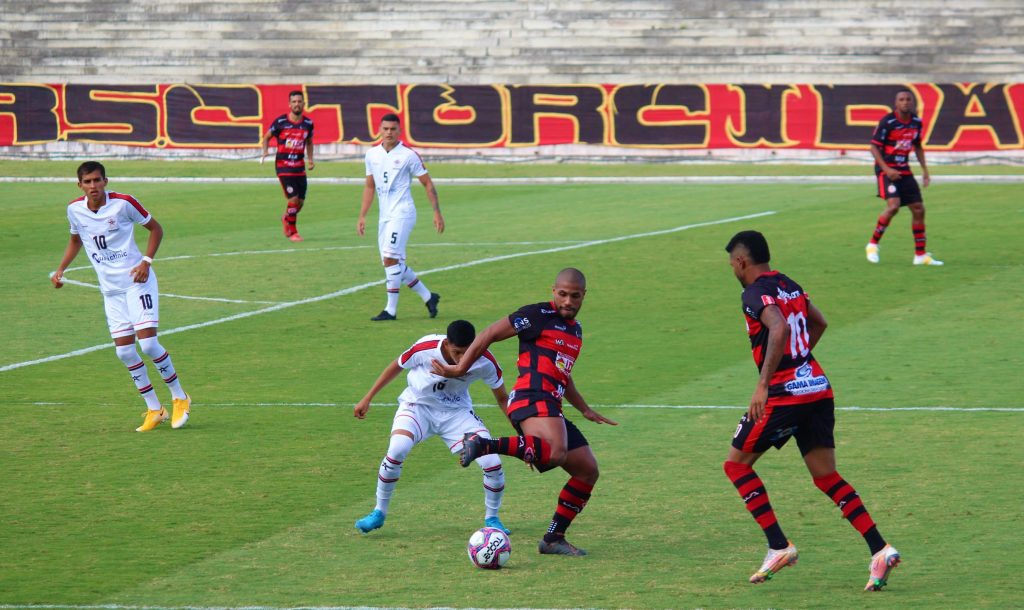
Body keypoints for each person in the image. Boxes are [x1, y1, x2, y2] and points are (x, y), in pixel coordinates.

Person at [722, 230, 900, 591]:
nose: (732, 270)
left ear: (741, 261)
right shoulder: (789, 284)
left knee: (736, 464)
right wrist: (800, 360)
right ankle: (879, 550)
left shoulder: (753, 293)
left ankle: (778, 546)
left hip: (786, 394)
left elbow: (779, 326)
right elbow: (819, 321)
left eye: (731, 264)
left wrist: (765, 383)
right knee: (825, 475)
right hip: (817, 387)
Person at [432, 268, 618, 557]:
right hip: (532, 397)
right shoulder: (536, 315)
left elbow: (563, 375)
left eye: (575, 296)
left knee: (587, 470)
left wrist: (584, 409)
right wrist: (460, 368)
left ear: (584, 296)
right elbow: (489, 334)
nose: (568, 301)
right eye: (563, 294)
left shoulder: (575, 330)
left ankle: (553, 539)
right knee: (555, 452)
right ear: (553, 291)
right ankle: (483, 444)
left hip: (549, 405)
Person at [51, 161, 192, 432]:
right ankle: (154, 408)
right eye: (88, 182)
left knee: (149, 345)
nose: (93, 186)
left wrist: (146, 262)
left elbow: (156, 228)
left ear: (105, 181)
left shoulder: (124, 203)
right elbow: (75, 240)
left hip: (137, 283)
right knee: (124, 351)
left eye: (97, 180)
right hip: (111, 291)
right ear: (79, 185)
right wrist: (61, 270)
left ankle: (180, 396)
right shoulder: (74, 210)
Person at [353, 319, 510, 535]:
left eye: (468, 352)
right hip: (417, 406)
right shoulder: (425, 347)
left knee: (492, 462)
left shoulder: (484, 360)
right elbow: (397, 365)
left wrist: (525, 437)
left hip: (456, 414)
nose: (463, 359)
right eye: (457, 352)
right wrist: (367, 397)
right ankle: (379, 512)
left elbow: (503, 399)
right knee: (397, 448)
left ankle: (492, 518)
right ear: (446, 344)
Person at [357, 113, 443, 321]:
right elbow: (370, 185)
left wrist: (436, 212)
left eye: (393, 129)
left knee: (390, 258)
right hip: (385, 215)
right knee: (391, 264)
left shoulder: (408, 155)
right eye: (385, 129)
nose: (389, 132)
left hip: (403, 213)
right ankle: (428, 296)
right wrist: (362, 215)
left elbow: (427, 183)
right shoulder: (372, 155)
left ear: (399, 130)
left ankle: (390, 310)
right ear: (379, 129)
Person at [865, 88, 942, 266]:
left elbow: (918, 146)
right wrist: (886, 169)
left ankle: (920, 255)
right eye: (902, 99)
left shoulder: (916, 122)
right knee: (894, 206)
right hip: (886, 170)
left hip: (904, 169)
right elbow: (874, 147)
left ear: (912, 102)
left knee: (918, 208)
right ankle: (873, 244)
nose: (905, 102)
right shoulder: (888, 122)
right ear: (896, 103)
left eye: (908, 99)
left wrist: (925, 170)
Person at [261, 90, 315, 242]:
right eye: (294, 102)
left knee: (300, 203)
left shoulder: (308, 124)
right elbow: (266, 137)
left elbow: (309, 142)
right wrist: (265, 151)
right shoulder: (280, 122)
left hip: (300, 167)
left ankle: (287, 217)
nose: (297, 104)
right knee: (293, 200)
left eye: (299, 101)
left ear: (304, 104)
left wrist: (310, 160)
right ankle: (293, 232)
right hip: (284, 166)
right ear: (289, 104)